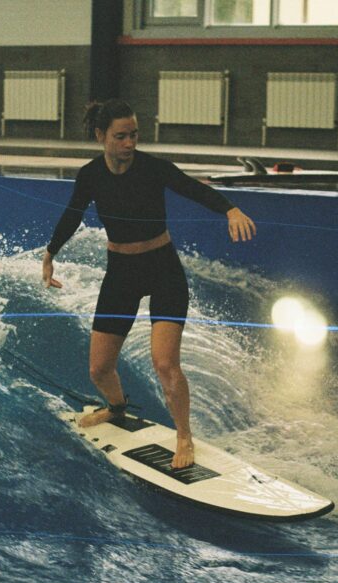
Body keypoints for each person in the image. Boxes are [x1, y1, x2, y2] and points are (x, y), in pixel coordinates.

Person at [41, 99, 255, 469]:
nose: (129, 143)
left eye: (134, 135)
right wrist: (50, 253)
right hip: (120, 273)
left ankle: (184, 435)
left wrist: (230, 209)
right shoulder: (91, 174)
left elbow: (194, 189)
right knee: (99, 369)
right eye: (120, 136)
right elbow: (73, 214)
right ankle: (117, 408)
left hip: (162, 269)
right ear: (100, 136)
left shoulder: (153, 169)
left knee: (165, 364)